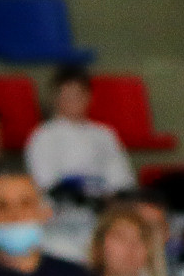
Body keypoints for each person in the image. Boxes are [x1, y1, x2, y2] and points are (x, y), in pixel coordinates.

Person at [24, 66, 135, 205]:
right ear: (56, 98)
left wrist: (110, 197)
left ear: (89, 97)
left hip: (105, 206)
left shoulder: (105, 134)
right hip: (61, 209)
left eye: (78, 95)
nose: (73, 101)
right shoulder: (42, 136)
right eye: (67, 95)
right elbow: (45, 183)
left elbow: (122, 179)